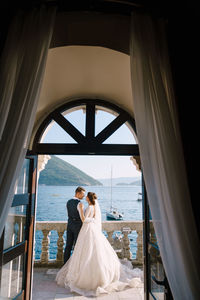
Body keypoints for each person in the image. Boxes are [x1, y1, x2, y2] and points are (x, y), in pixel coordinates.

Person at [56, 192, 143, 297]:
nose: (85, 197)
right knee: (94, 251)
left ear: (89, 198)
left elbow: (84, 220)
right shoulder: (93, 207)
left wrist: (80, 210)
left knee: (86, 251)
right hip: (93, 229)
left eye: (86, 196)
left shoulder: (88, 207)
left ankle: (90, 276)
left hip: (87, 228)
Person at [63, 186, 85, 264]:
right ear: (78, 193)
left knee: (68, 245)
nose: (84, 196)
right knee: (77, 246)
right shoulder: (79, 203)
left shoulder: (68, 202)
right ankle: (75, 265)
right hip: (77, 226)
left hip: (70, 225)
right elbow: (82, 218)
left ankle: (65, 264)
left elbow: (69, 213)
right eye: (82, 194)